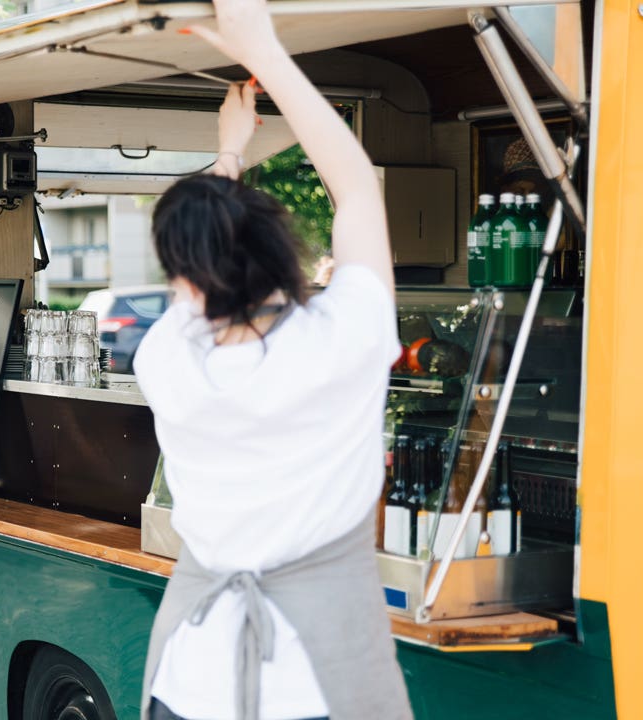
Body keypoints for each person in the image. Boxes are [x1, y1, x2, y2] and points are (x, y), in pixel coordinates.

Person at [132, 2, 412, 719]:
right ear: (279, 250)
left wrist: (229, 148)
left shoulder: (166, 356)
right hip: (319, 681)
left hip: (189, 682)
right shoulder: (341, 339)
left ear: (185, 281)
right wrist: (269, 53)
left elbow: (201, 256)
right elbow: (354, 187)